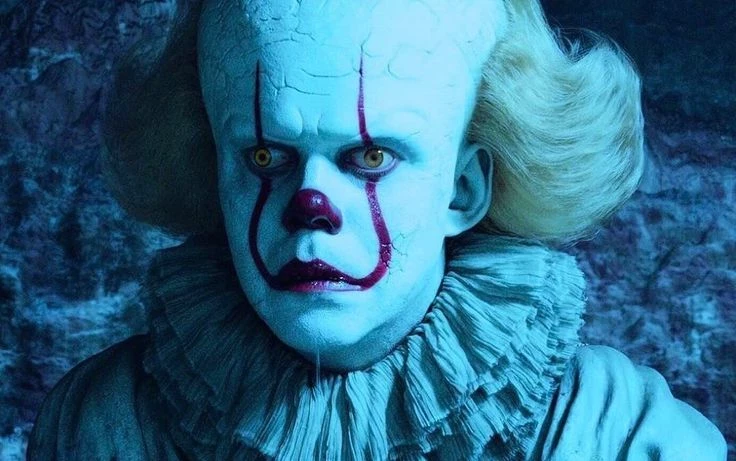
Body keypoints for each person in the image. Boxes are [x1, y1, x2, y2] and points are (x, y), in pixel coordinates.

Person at [28, 0, 727, 459]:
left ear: (463, 188)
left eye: (369, 158)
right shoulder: (97, 427)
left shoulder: (620, 436)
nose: (310, 206)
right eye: (265, 156)